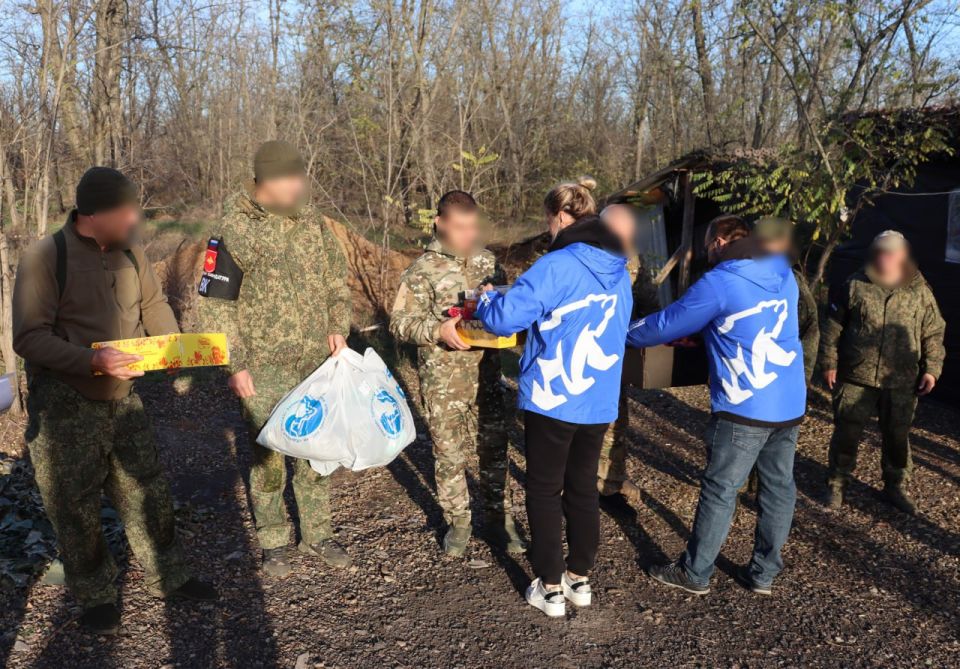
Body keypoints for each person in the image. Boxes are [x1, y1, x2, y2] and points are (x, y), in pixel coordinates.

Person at [13, 167, 217, 635]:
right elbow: (29, 338)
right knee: (75, 503)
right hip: (65, 402)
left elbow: (152, 306)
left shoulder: (131, 251)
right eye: (125, 209)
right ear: (93, 213)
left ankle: (170, 575)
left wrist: (172, 346)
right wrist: (93, 361)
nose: (134, 218)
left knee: (148, 488)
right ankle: (96, 594)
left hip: (125, 398)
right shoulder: (45, 258)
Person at [475, 177, 633, 618]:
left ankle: (548, 587)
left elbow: (506, 318)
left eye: (549, 221)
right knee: (583, 487)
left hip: (554, 396)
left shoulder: (556, 264)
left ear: (562, 217)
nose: (549, 229)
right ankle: (578, 578)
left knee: (544, 490)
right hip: (599, 398)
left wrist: (488, 301)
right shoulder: (619, 269)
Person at [195, 140, 353, 577]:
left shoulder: (313, 222)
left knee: (318, 447)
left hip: (316, 361)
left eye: (300, 177)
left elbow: (337, 284)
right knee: (267, 453)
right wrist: (236, 363)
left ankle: (318, 534)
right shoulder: (232, 229)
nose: (298, 186)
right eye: (290, 178)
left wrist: (339, 326)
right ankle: (272, 539)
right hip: (262, 366)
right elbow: (214, 305)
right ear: (265, 180)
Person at [626, 215, 806, 596]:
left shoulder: (721, 281)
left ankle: (695, 572)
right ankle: (764, 573)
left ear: (722, 241)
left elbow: (667, 325)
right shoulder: (781, 270)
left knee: (721, 488)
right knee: (778, 489)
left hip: (745, 405)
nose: (706, 251)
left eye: (707, 244)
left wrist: (626, 333)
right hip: (788, 402)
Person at [389, 190, 525, 557]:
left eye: (473, 227)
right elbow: (399, 324)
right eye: (460, 227)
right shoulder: (421, 271)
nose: (468, 234)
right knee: (449, 455)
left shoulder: (489, 263)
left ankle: (500, 520)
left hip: (487, 378)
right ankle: (459, 522)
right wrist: (437, 330)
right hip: (442, 382)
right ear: (440, 223)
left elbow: (509, 308)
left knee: (494, 450)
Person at [819, 230, 945, 514]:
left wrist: (932, 370)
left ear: (902, 255)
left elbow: (934, 332)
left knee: (897, 436)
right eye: (879, 251)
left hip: (900, 379)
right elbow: (833, 327)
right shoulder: (855, 285)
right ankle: (837, 484)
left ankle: (895, 485)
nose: (883, 257)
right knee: (847, 433)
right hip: (856, 376)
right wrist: (829, 362)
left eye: (890, 252)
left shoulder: (919, 290)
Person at [595, 204, 660, 503]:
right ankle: (578, 483)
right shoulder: (581, 255)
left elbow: (647, 299)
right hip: (581, 351)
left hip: (617, 351)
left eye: (627, 234)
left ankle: (611, 482)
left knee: (616, 419)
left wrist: (653, 331)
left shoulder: (632, 258)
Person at [753, 216, 819, 382]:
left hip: (779, 375)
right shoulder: (743, 276)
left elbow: (810, 328)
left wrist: (801, 378)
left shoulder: (793, 281)